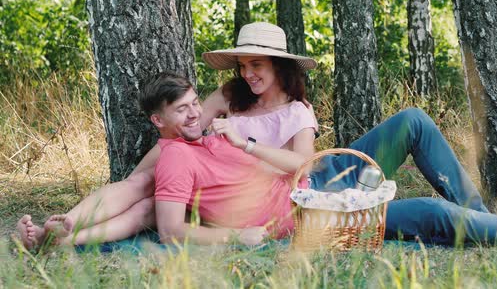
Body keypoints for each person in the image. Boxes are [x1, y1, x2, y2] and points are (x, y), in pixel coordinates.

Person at [147, 72, 497, 246]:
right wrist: (239, 237)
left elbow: (292, 164)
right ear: (158, 119)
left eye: (195, 104)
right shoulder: (177, 158)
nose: (194, 113)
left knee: (410, 121)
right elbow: (168, 230)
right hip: (314, 215)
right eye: (181, 109)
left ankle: (485, 220)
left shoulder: (211, 133)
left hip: (319, 180)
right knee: (432, 212)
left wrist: (239, 142)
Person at [17, 22, 319, 248]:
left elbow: (306, 164)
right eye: (242, 65)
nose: (247, 73)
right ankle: (56, 232)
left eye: (256, 65)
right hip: (210, 178)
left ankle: (60, 238)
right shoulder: (233, 93)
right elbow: (190, 124)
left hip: (251, 192)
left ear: (278, 65)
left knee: (154, 189)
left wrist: (247, 145)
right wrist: (142, 180)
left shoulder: (297, 111)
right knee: (143, 188)